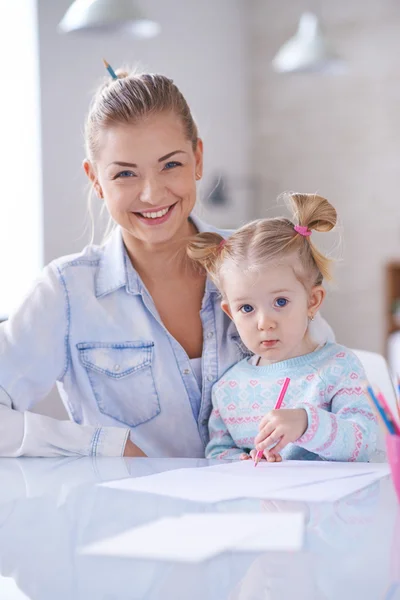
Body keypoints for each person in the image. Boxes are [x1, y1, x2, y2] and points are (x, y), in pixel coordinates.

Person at [0, 66, 333, 458]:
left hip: (265, 511)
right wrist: (104, 446)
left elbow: (328, 382)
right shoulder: (66, 292)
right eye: (125, 173)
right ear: (95, 180)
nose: (152, 193)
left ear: (197, 158)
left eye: (170, 164)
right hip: (126, 518)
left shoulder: (263, 260)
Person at [187, 193, 378, 462]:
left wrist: (306, 424)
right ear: (230, 312)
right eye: (247, 308)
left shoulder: (339, 368)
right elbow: (218, 450)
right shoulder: (228, 389)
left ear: (312, 301)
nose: (265, 322)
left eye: (280, 301)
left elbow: (364, 440)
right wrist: (239, 462)